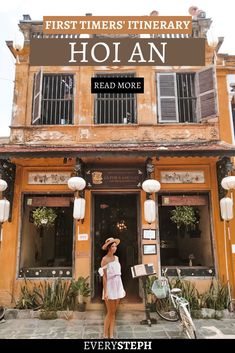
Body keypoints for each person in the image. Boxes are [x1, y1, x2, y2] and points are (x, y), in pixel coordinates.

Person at [98, 237, 126, 339]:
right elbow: (104, 277)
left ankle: (111, 334)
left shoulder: (117, 258)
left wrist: (121, 288)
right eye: (113, 246)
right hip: (109, 286)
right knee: (109, 312)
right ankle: (105, 333)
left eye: (115, 246)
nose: (115, 248)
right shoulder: (104, 259)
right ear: (109, 248)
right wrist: (105, 292)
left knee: (114, 312)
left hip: (118, 285)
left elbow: (119, 275)